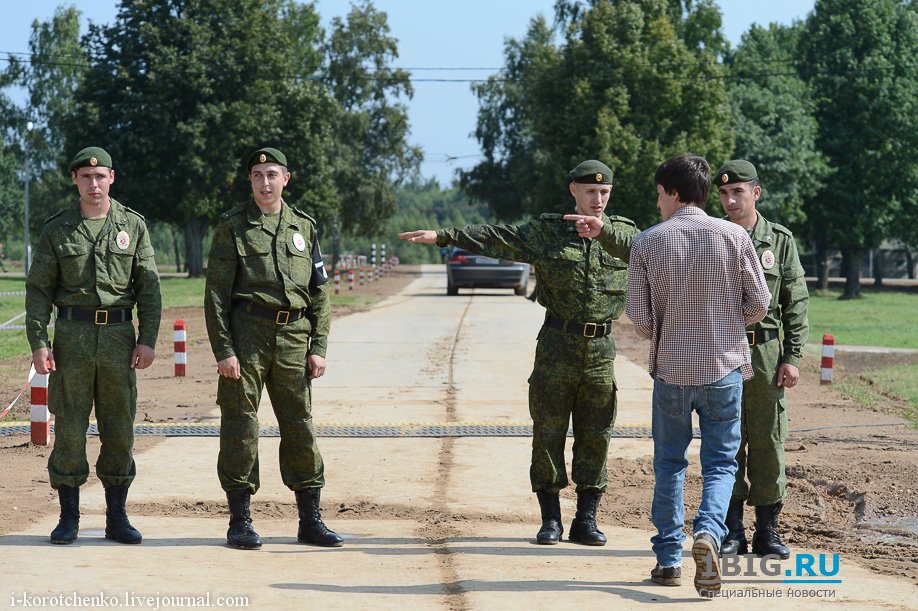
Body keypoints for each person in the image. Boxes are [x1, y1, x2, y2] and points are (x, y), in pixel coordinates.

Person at [399, 160, 637, 546]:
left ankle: (586, 520)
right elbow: (496, 236)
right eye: (590, 192)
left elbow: (660, 257)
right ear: (573, 190)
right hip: (557, 347)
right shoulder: (548, 233)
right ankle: (551, 520)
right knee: (548, 433)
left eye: (604, 192)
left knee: (597, 434)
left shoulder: (623, 235)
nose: (598, 199)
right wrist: (442, 235)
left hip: (601, 351)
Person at [625, 153, 771, 597]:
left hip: (671, 371)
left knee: (669, 463)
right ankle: (708, 531)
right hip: (724, 369)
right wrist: (728, 325)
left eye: (657, 194)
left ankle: (668, 558)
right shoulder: (733, 235)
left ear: (672, 192)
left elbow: (640, 317)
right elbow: (760, 302)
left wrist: (668, 329)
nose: (656, 203)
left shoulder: (647, 242)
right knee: (721, 462)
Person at [204, 147, 341, 550]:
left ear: (286, 178)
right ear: (250, 180)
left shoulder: (304, 227)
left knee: (300, 425)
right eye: (258, 174)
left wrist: (319, 346)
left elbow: (320, 292)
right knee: (241, 426)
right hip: (247, 334)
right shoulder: (232, 227)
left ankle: (310, 519)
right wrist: (224, 351)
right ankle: (240, 520)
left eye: (272, 174)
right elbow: (215, 296)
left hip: (295, 337)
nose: (265, 182)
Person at [25, 146, 162, 545]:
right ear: (75, 180)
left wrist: (148, 339)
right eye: (86, 177)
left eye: (100, 176)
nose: (93, 183)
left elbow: (148, 290)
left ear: (112, 178)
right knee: (68, 426)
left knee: (119, 428)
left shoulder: (132, 226)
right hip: (72, 339)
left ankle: (117, 517)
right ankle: (69, 517)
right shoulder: (58, 228)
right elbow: (38, 291)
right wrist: (39, 342)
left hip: (120, 339)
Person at [715, 160, 809, 559]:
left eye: (738, 191)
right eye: (723, 193)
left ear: (756, 193)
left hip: (767, 354)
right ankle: (732, 530)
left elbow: (796, 302)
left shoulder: (780, 241)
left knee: (769, 439)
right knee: (727, 442)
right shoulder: (712, 236)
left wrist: (793, 356)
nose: (730, 199)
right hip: (722, 352)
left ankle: (768, 532)